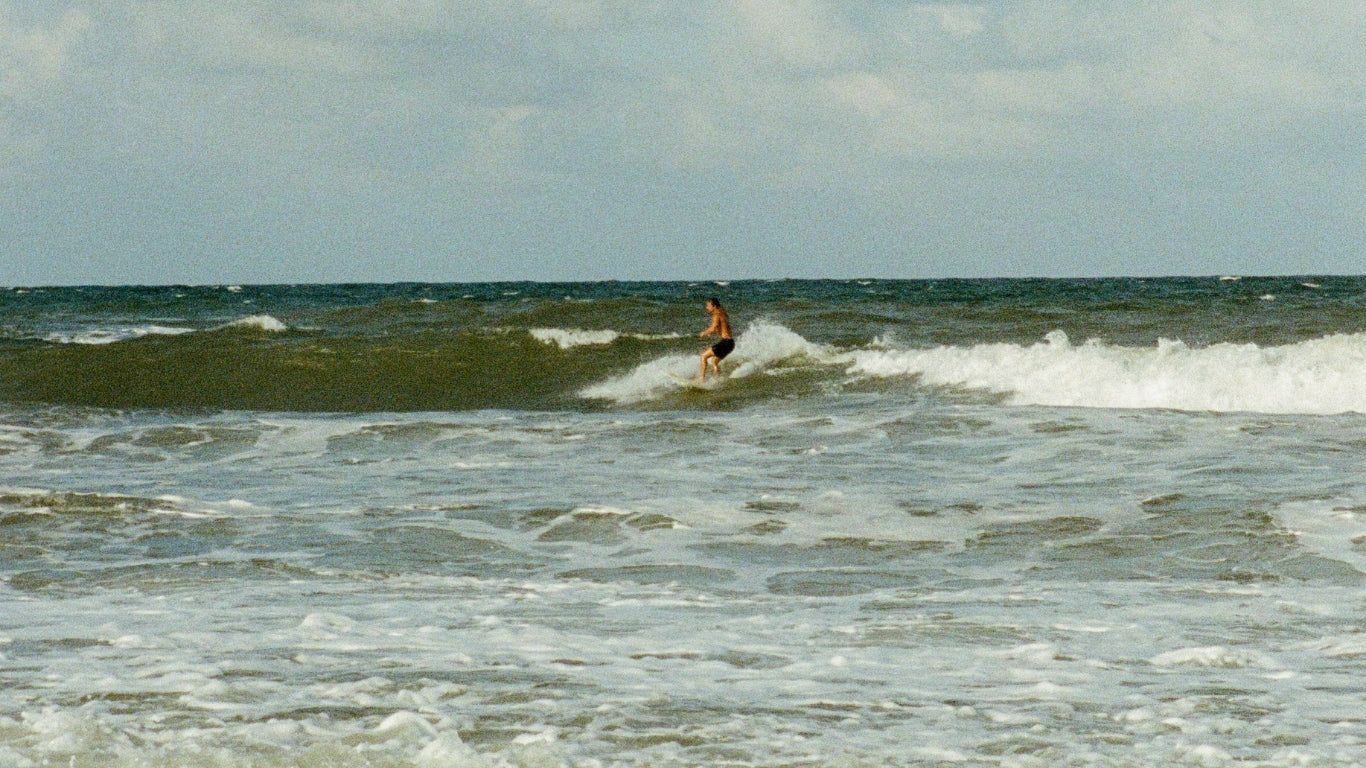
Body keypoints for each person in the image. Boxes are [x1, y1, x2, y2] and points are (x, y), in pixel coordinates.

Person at [697, 297, 734, 382]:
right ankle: (719, 380)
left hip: (725, 343)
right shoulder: (723, 313)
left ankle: (701, 379)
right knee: (714, 362)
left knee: (703, 356)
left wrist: (704, 333)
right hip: (730, 343)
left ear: (714, 306)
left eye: (708, 305)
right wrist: (713, 331)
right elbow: (724, 327)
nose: (707, 307)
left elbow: (713, 328)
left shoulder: (716, 314)